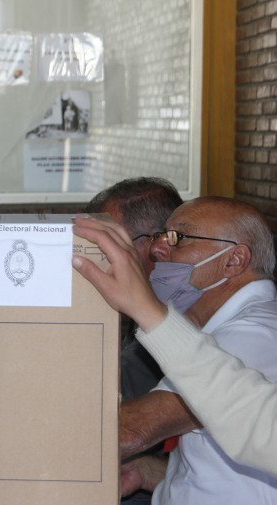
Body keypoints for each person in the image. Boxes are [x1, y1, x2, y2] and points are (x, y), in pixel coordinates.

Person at [73, 196, 277, 504]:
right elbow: (215, 473)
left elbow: (129, 431)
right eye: (160, 235)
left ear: (233, 260)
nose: (157, 248)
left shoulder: (256, 334)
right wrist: (148, 472)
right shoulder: (225, 324)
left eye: (178, 237)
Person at [85, 177, 182, 402]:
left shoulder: (183, 313)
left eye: (108, 245)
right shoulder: (150, 296)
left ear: (159, 244)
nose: (101, 259)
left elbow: (104, 397)